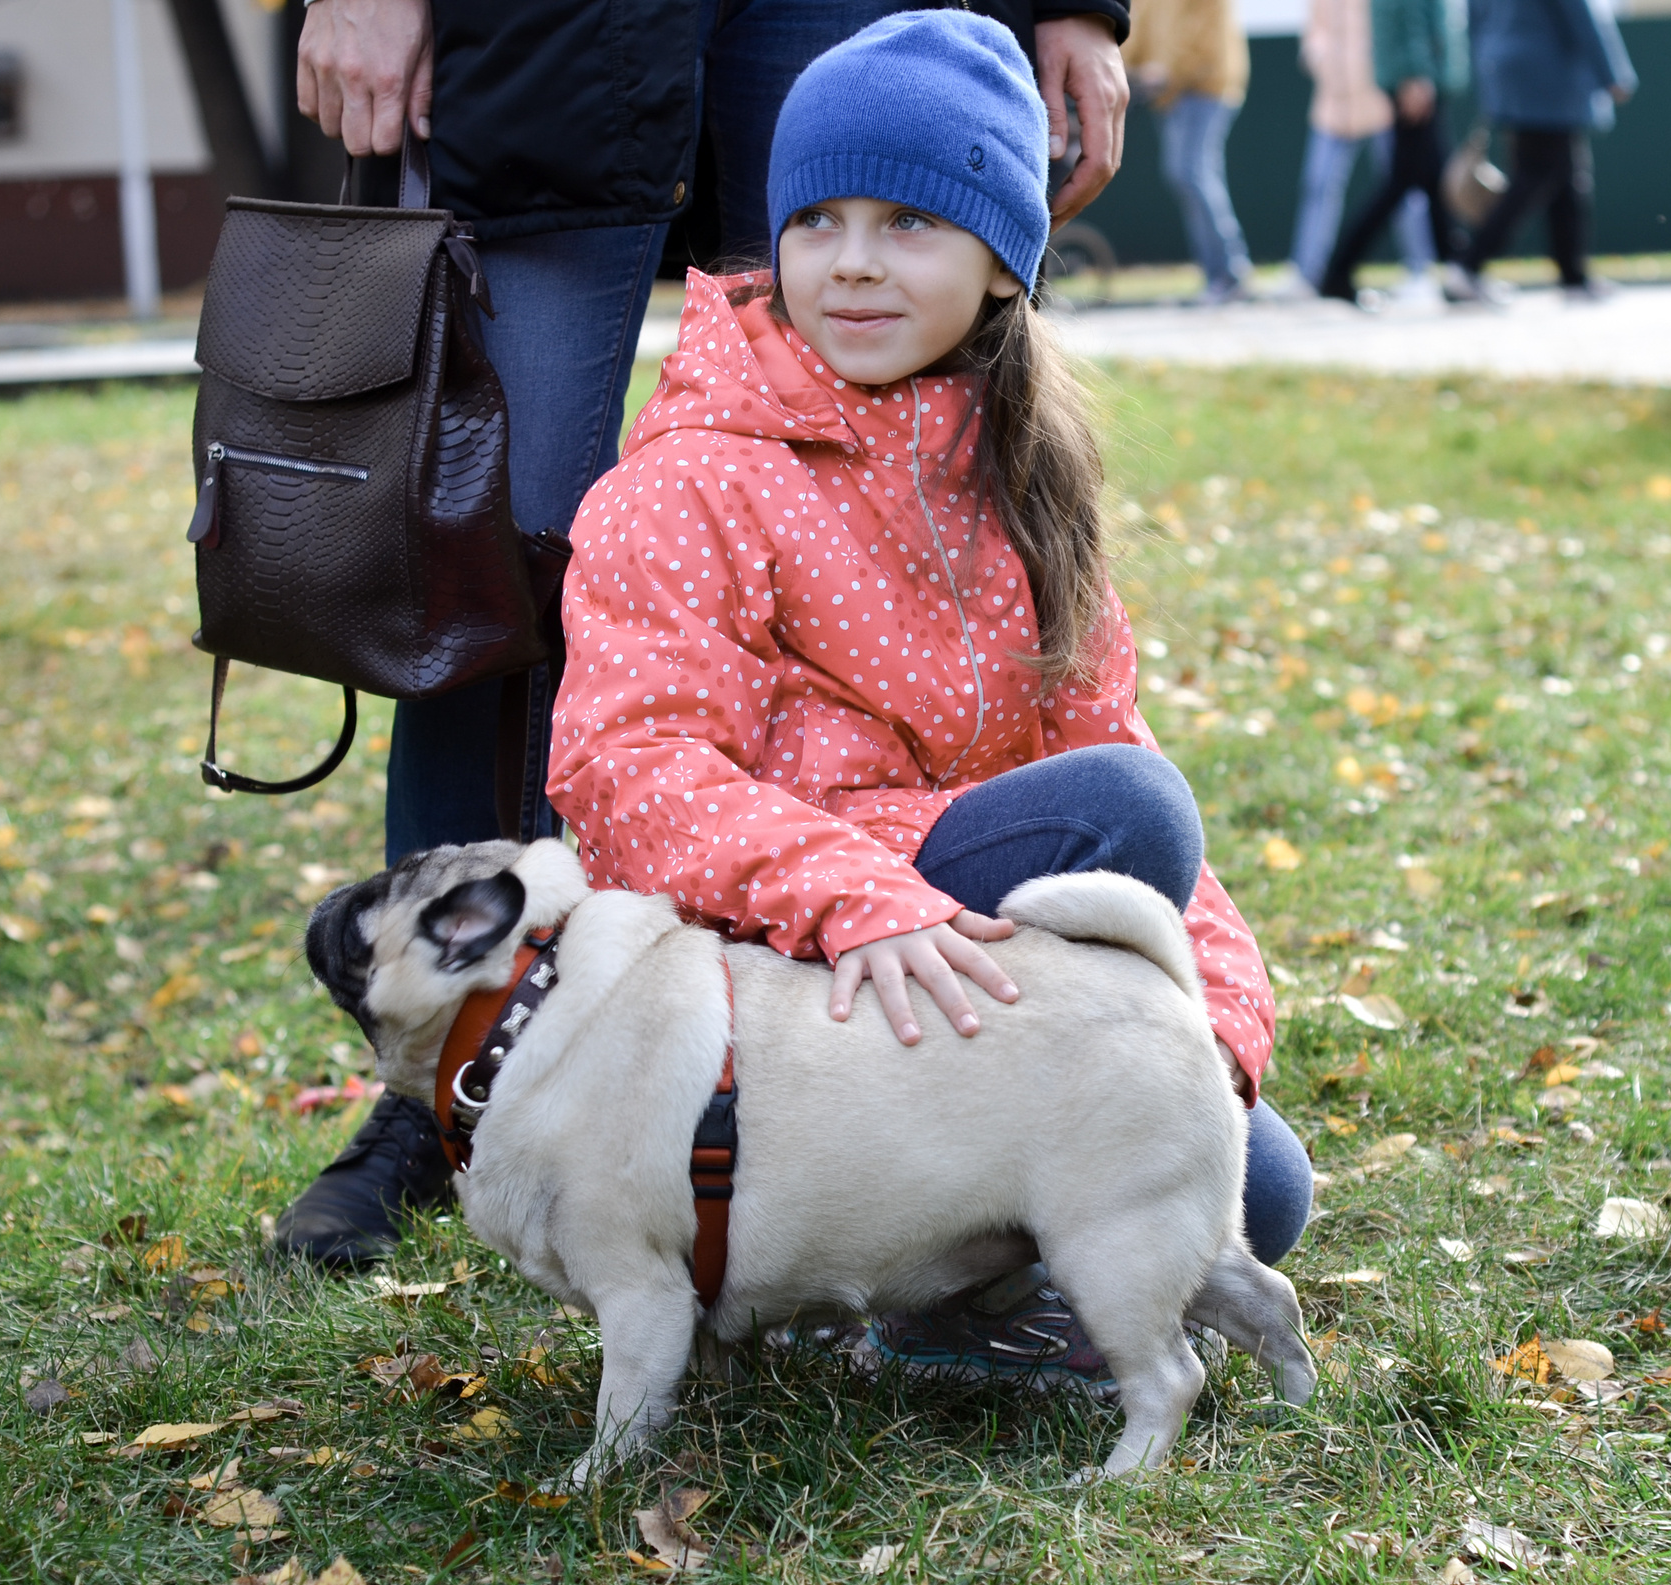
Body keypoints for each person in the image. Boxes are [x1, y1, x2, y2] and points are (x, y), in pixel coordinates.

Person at [275, 0, 1137, 1268]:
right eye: (825, 232)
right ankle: (453, 1053)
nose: (851, 253)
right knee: (487, 559)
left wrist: (1077, 7)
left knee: (878, 405)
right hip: (561, 37)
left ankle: (832, 1099)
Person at [547, 9, 1308, 1389]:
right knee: (1120, 814)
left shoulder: (1022, 480)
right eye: (818, 218)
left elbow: (1114, 756)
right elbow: (627, 774)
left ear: (1003, 263)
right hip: (786, 987)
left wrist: (1208, 1042)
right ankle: (901, 1278)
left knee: (1254, 1188)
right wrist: (854, 892)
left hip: (969, 982)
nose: (850, 261)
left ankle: (940, 1296)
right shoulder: (691, 481)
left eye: (908, 223)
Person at [1446, 0, 1636, 306]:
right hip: (1548, 74)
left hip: (1506, 70)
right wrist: (1613, 74)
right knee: (1536, 174)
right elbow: (1581, 14)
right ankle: (1468, 265)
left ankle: (1573, 275)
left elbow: (1475, 19)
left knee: (1566, 175)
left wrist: (1491, 76)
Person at [1317, 0, 1472, 302]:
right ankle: (1338, 270)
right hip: (1416, 81)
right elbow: (1411, 14)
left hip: (1415, 77)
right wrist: (1416, 75)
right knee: (1403, 181)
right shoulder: (1414, 74)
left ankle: (1459, 267)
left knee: (1431, 177)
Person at [1126, 0, 1255, 301]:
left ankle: (1231, 273)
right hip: (1170, 93)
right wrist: (1119, 66)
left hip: (1205, 87)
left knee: (1190, 172)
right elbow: (1137, 26)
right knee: (1187, 175)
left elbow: (1199, 34)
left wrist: (1165, 69)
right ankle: (1220, 275)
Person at [1289, 0, 1395, 293]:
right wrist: (1320, 59)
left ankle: (1421, 268)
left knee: (1401, 188)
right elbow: (1314, 34)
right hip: (1332, 104)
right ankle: (1307, 272)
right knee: (1318, 186)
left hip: (1380, 101)